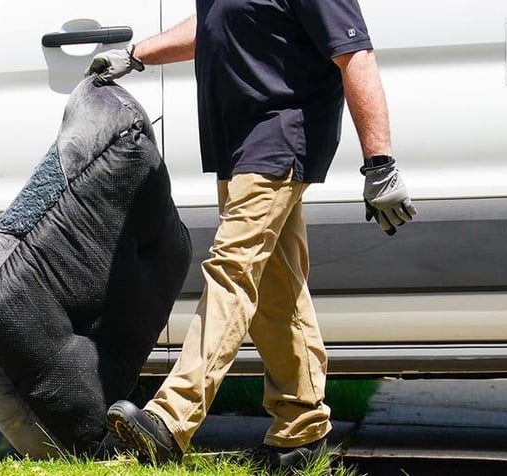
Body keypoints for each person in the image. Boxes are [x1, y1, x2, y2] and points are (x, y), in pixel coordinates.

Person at [86, 0, 416, 470]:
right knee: (276, 290)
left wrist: (379, 162)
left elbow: (355, 54)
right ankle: (301, 429)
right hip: (238, 142)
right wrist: (138, 54)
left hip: (282, 134)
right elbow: (215, 25)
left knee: (231, 270)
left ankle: (172, 416)